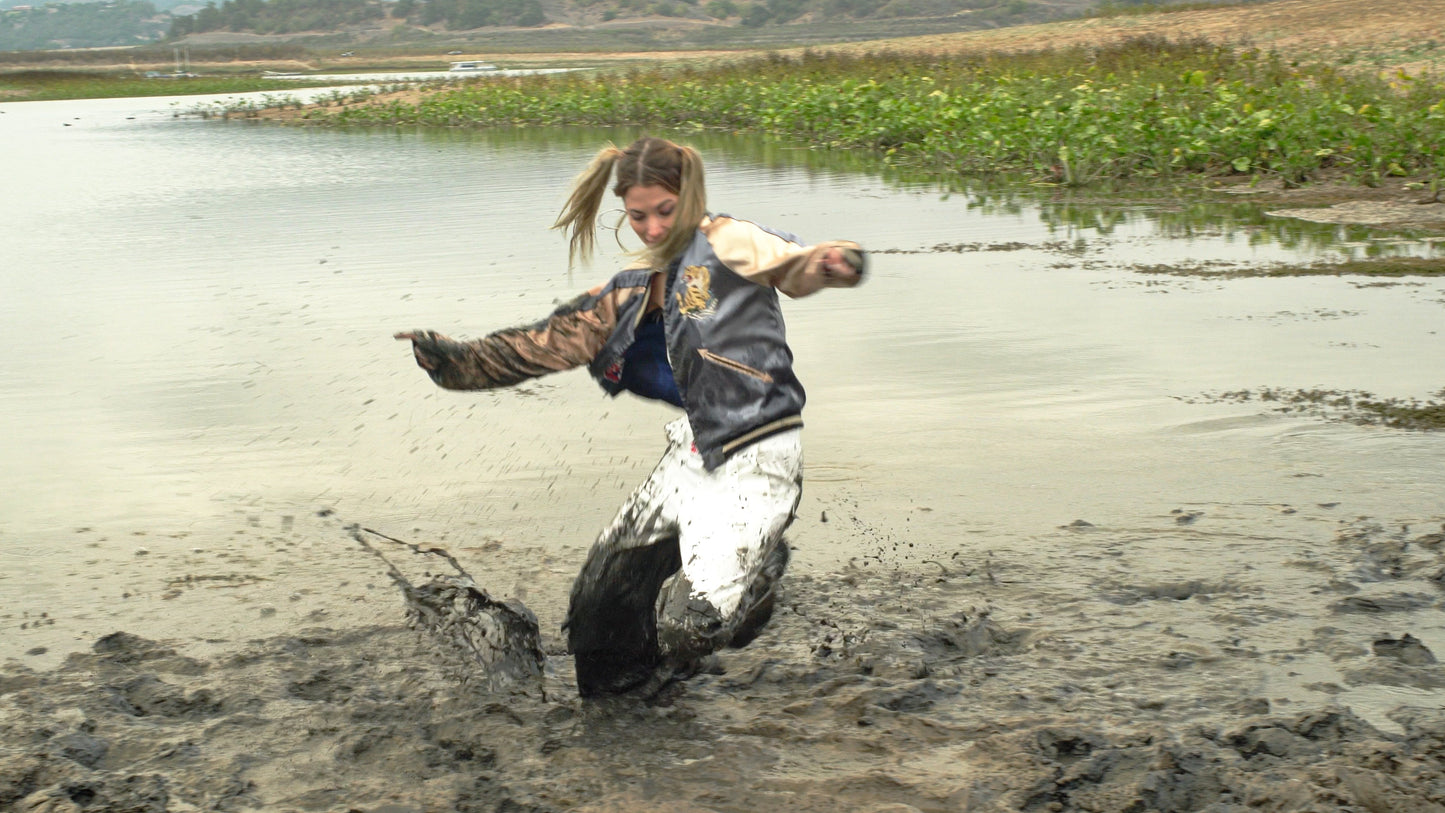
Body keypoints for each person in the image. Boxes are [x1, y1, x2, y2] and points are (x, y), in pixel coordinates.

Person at [396, 135, 866, 698]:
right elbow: (546, 344)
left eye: (665, 211)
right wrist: (455, 363)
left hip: (759, 456)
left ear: (687, 195)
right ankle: (628, 723)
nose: (652, 228)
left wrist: (834, 262)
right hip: (692, 453)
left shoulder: (729, 241)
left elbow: (796, 266)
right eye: (638, 216)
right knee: (597, 613)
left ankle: (757, 574)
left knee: (690, 623)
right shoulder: (629, 292)